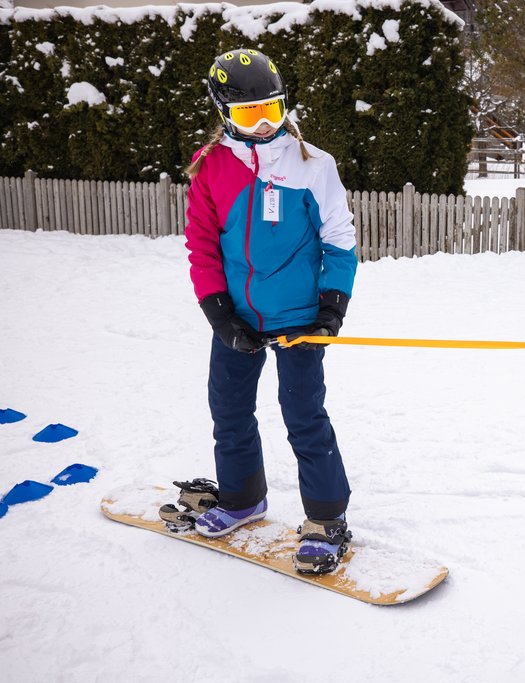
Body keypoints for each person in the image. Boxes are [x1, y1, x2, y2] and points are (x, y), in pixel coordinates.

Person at [183, 48, 357, 575]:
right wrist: (219, 314)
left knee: (304, 415)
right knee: (229, 411)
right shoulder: (211, 169)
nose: (261, 125)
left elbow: (339, 240)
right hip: (237, 319)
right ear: (223, 114)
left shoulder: (313, 165)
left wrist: (331, 308)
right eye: (246, 114)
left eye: (271, 109)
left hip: (301, 319)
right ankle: (242, 499)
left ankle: (327, 519)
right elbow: (202, 246)